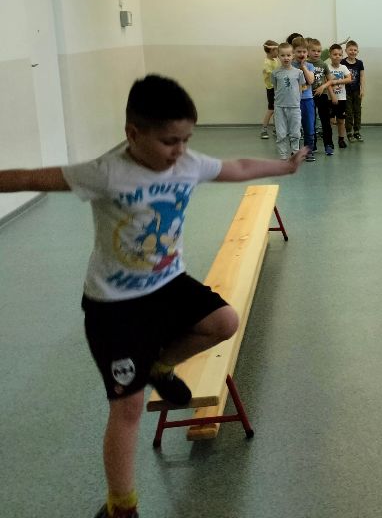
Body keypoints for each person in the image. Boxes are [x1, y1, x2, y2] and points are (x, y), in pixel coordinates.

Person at [0, 74, 307, 518]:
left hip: (168, 284)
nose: (180, 151)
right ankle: (121, 506)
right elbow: (32, 177)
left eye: (186, 140)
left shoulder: (186, 164)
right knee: (127, 408)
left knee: (224, 322)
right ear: (133, 134)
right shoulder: (107, 172)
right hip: (115, 307)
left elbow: (236, 167)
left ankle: (161, 365)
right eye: (168, 141)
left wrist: (284, 167)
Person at [271, 43, 306, 159]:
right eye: (282, 55)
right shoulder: (275, 73)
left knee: (295, 132)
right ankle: (283, 155)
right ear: (278, 56)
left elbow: (300, 88)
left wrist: (297, 101)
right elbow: (276, 88)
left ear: (293, 56)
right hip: (280, 107)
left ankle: (295, 152)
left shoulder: (298, 72)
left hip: (294, 106)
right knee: (281, 133)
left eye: (288, 55)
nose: (286, 58)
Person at [307, 38, 334, 157]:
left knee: (325, 121)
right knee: (311, 121)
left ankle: (328, 144)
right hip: (309, 96)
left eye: (318, 51)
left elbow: (330, 80)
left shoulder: (323, 64)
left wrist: (323, 86)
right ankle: (312, 145)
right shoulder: (305, 64)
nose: (316, 53)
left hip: (322, 95)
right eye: (313, 51)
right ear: (308, 51)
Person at [290, 38, 316, 162]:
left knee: (309, 126)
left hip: (307, 100)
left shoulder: (310, 65)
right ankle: (295, 151)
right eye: (298, 51)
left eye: (304, 52)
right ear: (293, 52)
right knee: (294, 127)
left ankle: (308, 151)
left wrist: (303, 67)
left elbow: (310, 81)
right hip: (293, 101)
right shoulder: (289, 66)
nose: (302, 54)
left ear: (307, 52)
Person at [325, 43, 353, 150]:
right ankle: (329, 141)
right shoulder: (327, 67)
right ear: (330, 55)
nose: (337, 56)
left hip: (342, 98)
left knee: (341, 120)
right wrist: (332, 96)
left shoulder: (343, 67)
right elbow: (327, 83)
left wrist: (336, 81)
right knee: (331, 121)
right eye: (335, 54)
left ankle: (341, 139)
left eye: (340, 55)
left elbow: (349, 79)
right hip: (330, 98)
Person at [342, 39, 365, 142]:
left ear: (357, 51)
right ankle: (349, 132)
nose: (353, 52)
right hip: (346, 91)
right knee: (349, 112)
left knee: (357, 111)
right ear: (346, 51)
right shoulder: (342, 62)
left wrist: (362, 89)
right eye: (350, 50)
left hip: (356, 91)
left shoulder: (359, 63)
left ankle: (357, 131)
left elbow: (362, 76)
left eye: (355, 50)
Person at [259, 40, 279, 139]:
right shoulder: (267, 63)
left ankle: (276, 129)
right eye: (277, 51)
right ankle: (264, 129)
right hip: (271, 89)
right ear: (271, 51)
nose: (278, 53)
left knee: (278, 109)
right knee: (271, 109)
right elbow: (273, 75)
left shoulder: (275, 60)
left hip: (277, 88)